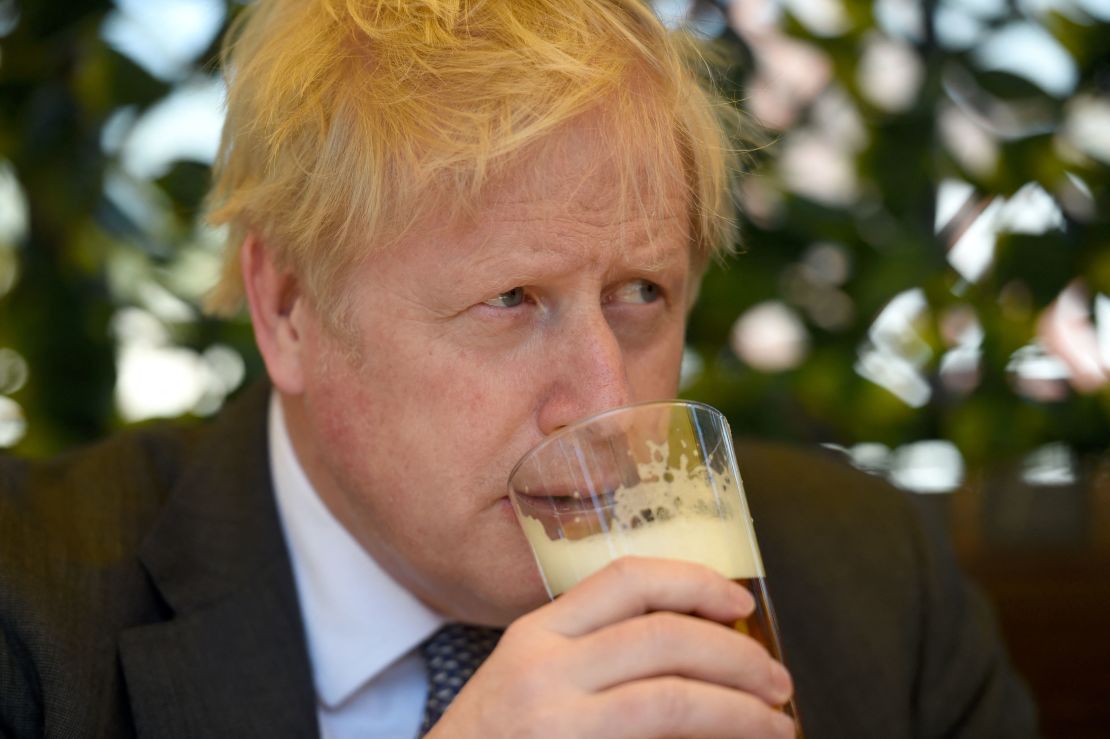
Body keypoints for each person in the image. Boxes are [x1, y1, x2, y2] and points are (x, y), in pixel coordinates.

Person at [0, 1, 1037, 737]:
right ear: (288, 308)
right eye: (510, 301)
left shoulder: (873, 583)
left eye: (640, 294)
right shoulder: (33, 617)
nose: (606, 397)